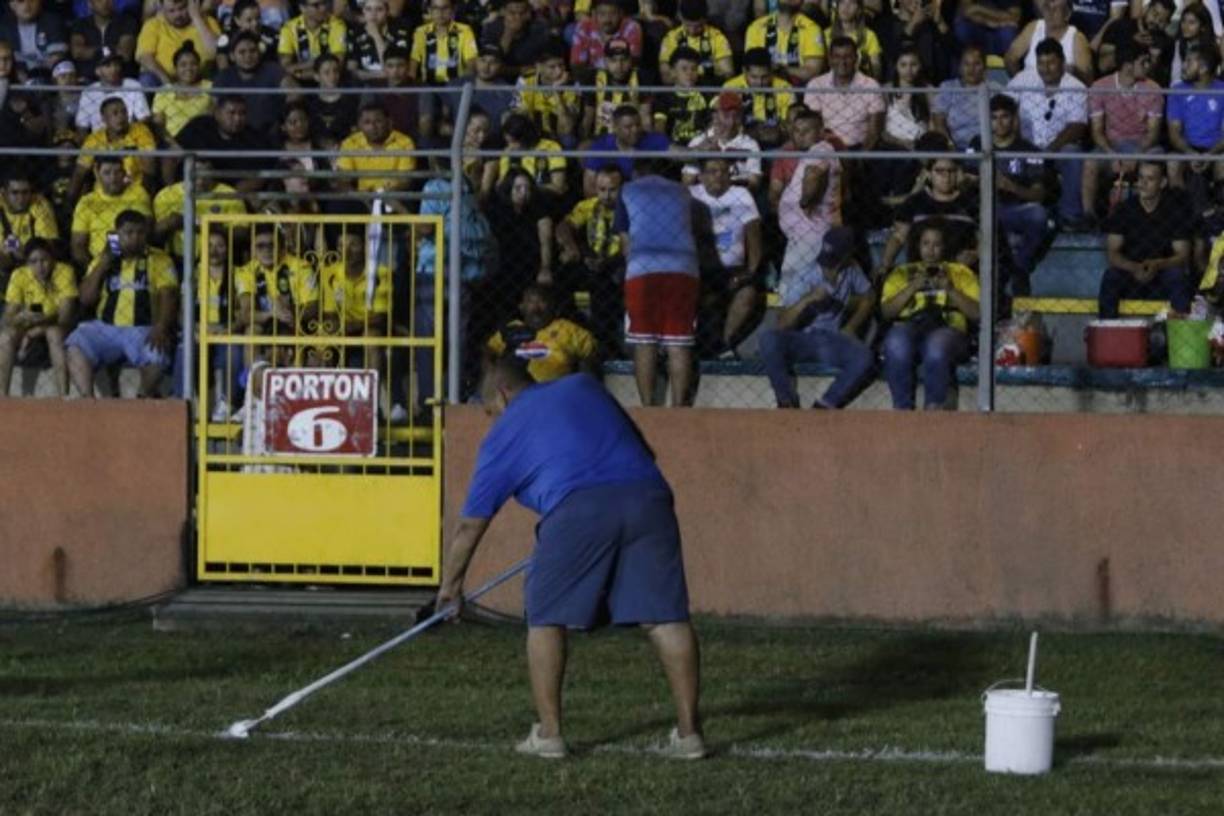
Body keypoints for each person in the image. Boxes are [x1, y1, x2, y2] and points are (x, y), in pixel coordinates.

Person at [436, 358, 705, 761]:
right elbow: (644, 448)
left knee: (544, 615)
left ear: (503, 397)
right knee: (665, 617)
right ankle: (689, 735)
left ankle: (549, 733)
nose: (492, 422)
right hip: (649, 495)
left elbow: (470, 526)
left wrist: (450, 588)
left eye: (490, 413)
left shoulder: (502, 434)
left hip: (577, 506)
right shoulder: (583, 385)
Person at [758, 226, 874, 409]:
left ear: (847, 256)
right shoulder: (807, 272)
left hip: (832, 340)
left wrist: (852, 326)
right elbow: (782, 324)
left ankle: (825, 405)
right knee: (768, 339)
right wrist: (808, 299)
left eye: (835, 260)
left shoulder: (851, 268)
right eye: (827, 259)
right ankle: (786, 402)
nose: (829, 265)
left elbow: (869, 296)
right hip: (802, 338)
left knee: (864, 356)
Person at [615, 158, 700, 407]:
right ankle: (678, 406)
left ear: (639, 172)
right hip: (683, 266)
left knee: (644, 340)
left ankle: (648, 406)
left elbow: (625, 240)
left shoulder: (629, 190)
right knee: (678, 340)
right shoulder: (684, 193)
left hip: (644, 266)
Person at [65, 210, 177, 398]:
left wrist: (161, 326)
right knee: (75, 344)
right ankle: (87, 400)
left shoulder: (159, 259)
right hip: (104, 328)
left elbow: (169, 295)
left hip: (142, 328)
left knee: (158, 356)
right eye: (129, 232)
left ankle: (142, 397)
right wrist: (103, 265)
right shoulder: (104, 259)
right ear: (117, 234)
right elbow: (85, 298)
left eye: (141, 232)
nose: (135, 238)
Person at [879, 221, 980, 410]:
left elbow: (977, 313)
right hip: (911, 325)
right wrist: (912, 287)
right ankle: (902, 409)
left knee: (936, 344)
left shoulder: (960, 272)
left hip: (948, 329)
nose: (930, 250)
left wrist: (949, 288)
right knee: (895, 341)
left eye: (936, 244)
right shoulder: (903, 272)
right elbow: (887, 312)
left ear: (944, 247)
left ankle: (933, 410)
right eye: (926, 244)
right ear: (918, 246)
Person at [969, 94, 1054, 298]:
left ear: (1014, 119)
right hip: (981, 208)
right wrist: (982, 180)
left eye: (1004, 117)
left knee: (1041, 216)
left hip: (1015, 210)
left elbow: (1038, 193)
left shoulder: (1029, 150)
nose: (999, 122)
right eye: (994, 117)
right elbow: (964, 179)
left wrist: (1010, 186)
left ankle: (1018, 268)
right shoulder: (977, 143)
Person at [1006, 38, 1088, 228]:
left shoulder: (1076, 87)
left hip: (1055, 149)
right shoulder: (1023, 78)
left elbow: (1077, 127)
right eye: (1041, 63)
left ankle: (1070, 216)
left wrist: (1048, 152)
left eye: (1051, 63)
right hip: (1023, 146)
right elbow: (1004, 107)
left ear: (1062, 62)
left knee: (1073, 153)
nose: (1046, 68)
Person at [1099, 160, 1193, 318]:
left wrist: (1158, 264)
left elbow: (1183, 255)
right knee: (1111, 276)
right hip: (1131, 273)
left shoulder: (1174, 211)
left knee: (1177, 276)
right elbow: (1112, 253)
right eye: (1140, 178)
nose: (1142, 184)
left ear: (1162, 182)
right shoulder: (1124, 209)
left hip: (1162, 273)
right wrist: (1134, 267)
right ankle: (1108, 330)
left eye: (1150, 179)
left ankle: (1180, 331)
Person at [690, 156, 762, 357]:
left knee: (748, 294)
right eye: (713, 171)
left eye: (724, 171)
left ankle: (725, 345)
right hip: (698, 268)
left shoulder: (742, 195)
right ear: (701, 176)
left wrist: (750, 272)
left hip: (733, 268)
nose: (719, 175)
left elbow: (754, 238)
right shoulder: (691, 195)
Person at [1083, 42, 1162, 221]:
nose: (1148, 66)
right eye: (1144, 62)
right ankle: (1088, 216)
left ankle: (1153, 216)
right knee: (1090, 163)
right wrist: (1111, 156)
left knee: (1154, 160)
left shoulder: (1153, 89)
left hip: (1142, 145)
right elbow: (1097, 131)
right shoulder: (1099, 87)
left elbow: (1153, 132)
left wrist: (1137, 156)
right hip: (1111, 146)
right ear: (1128, 66)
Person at [876, 155, 979, 279]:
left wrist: (975, 254)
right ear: (929, 174)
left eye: (951, 171)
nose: (946, 176)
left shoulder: (971, 204)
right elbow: (898, 237)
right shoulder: (914, 202)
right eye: (939, 171)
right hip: (920, 273)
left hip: (960, 273)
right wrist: (885, 265)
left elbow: (983, 238)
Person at [557, 164, 624, 353]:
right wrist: (572, 247)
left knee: (606, 287)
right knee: (562, 273)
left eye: (613, 190)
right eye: (602, 189)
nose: (607, 195)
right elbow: (564, 226)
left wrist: (608, 262)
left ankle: (605, 342)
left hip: (618, 263)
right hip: (591, 259)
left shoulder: (628, 208)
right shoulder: (588, 206)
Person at [0, 237, 76, 397]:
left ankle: (64, 394)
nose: (40, 267)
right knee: (6, 337)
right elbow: (7, 319)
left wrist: (37, 328)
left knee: (54, 333)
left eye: (44, 260)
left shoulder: (64, 271)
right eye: (33, 262)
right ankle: (2, 395)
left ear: (52, 259)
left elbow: (65, 317)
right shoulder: (19, 275)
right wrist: (20, 317)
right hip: (28, 325)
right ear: (27, 263)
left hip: (54, 325)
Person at [777, 109, 842, 293]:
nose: (801, 135)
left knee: (795, 291)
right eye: (797, 131)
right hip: (806, 234)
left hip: (811, 233)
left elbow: (813, 175)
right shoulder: (818, 151)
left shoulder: (821, 149)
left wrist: (804, 202)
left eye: (807, 131)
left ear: (821, 131)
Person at [485, 283, 599, 381]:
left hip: (557, 392)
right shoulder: (510, 330)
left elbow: (591, 353)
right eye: (530, 301)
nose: (536, 308)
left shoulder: (567, 329)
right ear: (521, 307)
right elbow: (489, 351)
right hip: (517, 395)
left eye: (542, 301)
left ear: (551, 306)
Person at [69, 155, 152, 269]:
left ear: (124, 173)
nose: (113, 178)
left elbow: (147, 231)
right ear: (97, 174)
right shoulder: (87, 202)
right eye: (107, 173)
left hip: (135, 259)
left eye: (117, 172)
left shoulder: (138, 193)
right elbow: (78, 246)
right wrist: (94, 268)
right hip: (99, 263)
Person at [1166, 45, 1224, 198]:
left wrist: (1210, 155)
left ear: (1203, 68)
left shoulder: (1222, 91)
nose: (1183, 66)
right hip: (1187, 149)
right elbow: (1174, 133)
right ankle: (1182, 215)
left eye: (1189, 62)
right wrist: (1191, 154)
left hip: (1216, 149)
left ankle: (1218, 213)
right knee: (1173, 163)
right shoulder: (1177, 90)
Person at [213, 30, 291, 137]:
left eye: (253, 51)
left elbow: (294, 93)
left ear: (259, 52)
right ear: (232, 56)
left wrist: (283, 121)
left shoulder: (273, 70)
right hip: (234, 135)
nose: (248, 56)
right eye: (242, 52)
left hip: (271, 135)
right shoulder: (224, 77)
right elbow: (215, 108)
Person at [683, 92, 762, 191]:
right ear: (715, 115)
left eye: (736, 116)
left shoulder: (750, 145)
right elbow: (687, 180)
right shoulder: (699, 141)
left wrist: (723, 184)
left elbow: (754, 182)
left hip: (736, 194)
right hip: (704, 195)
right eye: (726, 116)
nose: (732, 122)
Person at [135, 0, 221, 87]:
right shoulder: (153, 24)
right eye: (171, 11)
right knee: (147, 80)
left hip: (201, 78)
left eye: (182, 8)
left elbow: (215, 52)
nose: (178, 15)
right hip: (164, 79)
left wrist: (197, 18)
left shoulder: (207, 21)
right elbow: (145, 57)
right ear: (162, 10)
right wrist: (168, 82)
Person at [722, 47, 793, 149]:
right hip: (740, 143)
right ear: (744, 71)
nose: (759, 83)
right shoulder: (730, 88)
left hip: (775, 143)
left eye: (764, 77)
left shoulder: (784, 88)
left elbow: (788, 124)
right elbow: (724, 124)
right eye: (754, 77)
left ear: (771, 71)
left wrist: (779, 131)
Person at [1004, 0, 1093, 81]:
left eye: (1055, 10)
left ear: (1067, 15)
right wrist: (1020, 82)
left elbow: (1088, 79)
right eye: (1047, 8)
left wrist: (1073, 71)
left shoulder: (1077, 38)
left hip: (1062, 93)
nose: (1050, 13)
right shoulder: (1033, 27)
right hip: (1029, 90)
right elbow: (1010, 58)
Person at [743, 0, 824, 84]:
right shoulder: (757, 27)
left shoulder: (812, 29)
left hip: (798, 89)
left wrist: (781, 69)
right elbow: (752, 68)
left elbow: (813, 71)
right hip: (764, 87)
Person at [583, 38, 650, 138]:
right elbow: (588, 117)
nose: (619, 66)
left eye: (624, 60)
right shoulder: (593, 78)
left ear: (630, 60)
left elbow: (646, 119)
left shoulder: (642, 78)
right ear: (605, 61)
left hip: (632, 139)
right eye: (613, 60)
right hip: (602, 140)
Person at [658, 0, 734, 85]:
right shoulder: (671, 38)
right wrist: (704, 69)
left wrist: (687, 72)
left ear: (705, 20)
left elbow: (728, 73)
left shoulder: (717, 37)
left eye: (698, 26)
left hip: (708, 89)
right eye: (688, 25)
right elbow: (666, 77)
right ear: (681, 18)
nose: (692, 31)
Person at [75, 49, 149, 133]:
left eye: (116, 64)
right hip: (99, 140)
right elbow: (82, 126)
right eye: (108, 66)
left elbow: (144, 119)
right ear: (97, 71)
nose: (114, 69)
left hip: (129, 137)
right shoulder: (89, 92)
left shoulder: (133, 85)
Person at [932, 45, 988, 151]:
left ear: (984, 67)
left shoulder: (993, 89)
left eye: (976, 64)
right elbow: (938, 120)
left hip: (986, 146)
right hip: (955, 146)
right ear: (960, 67)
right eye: (966, 64)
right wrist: (949, 144)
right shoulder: (948, 87)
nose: (971, 69)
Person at [277, 0, 346, 83]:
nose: (323, 8)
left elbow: (338, 64)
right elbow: (286, 66)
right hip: (300, 81)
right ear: (302, 8)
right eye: (316, 5)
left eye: (324, 3)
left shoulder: (337, 25)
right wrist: (316, 67)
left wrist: (301, 70)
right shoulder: (289, 28)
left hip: (329, 80)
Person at [481, 0, 551, 80]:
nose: (517, 17)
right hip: (498, 80)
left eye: (522, 13)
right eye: (512, 13)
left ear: (528, 13)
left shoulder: (539, 29)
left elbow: (545, 62)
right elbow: (489, 65)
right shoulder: (491, 28)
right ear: (503, 12)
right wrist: (508, 33)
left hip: (531, 79)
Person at [568, 0, 642, 75]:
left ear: (621, 13)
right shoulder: (584, 28)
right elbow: (577, 64)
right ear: (594, 14)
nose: (607, 20)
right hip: (591, 81)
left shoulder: (630, 27)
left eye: (613, 14)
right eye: (602, 14)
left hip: (623, 81)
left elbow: (633, 62)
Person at [952, 0, 1022, 58]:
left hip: (999, 34)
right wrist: (992, 23)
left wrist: (978, 9)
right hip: (979, 30)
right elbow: (966, 10)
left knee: (1008, 34)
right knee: (962, 29)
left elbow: (1014, 16)